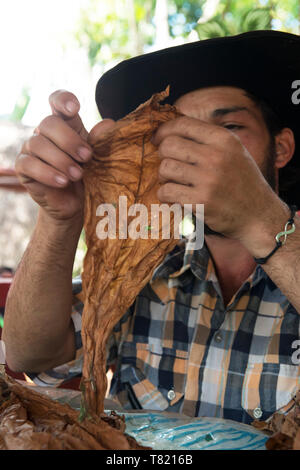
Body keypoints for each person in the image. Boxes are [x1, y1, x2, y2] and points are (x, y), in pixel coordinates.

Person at [2, 30, 300, 424]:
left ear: (281, 148)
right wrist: (61, 219)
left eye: (228, 128)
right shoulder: (143, 265)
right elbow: (29, 356)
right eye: (181, 134)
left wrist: (261, 220)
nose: (199, 151)